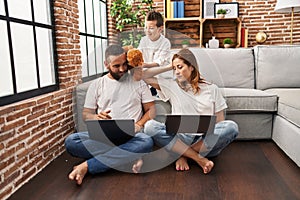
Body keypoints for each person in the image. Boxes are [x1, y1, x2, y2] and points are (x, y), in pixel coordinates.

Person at [65, 45, 155, 185]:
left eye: (124, 64)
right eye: (116, 66)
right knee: (71, 142)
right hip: (105, 136)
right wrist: (95, 117)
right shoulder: (97, 85)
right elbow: (86, 114)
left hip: (133, 135)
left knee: (146, 142)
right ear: (106, 65)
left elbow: (151, 110)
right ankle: (127, 156)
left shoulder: (138, 83)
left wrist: (139, 124)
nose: (122, 69)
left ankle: (88, 166)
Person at [143, 48, 239, 174]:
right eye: (174, 69)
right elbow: (142, 75)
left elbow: (220, 122)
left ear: (191, 67)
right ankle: (198, 158)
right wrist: (168, 66)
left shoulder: (212, 89)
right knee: (150, 126)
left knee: (231, 127)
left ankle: (183, 155)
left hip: (204, 143)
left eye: (180, 67)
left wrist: (184, 152)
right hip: (180, 138)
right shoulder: (172, 86)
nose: (176, 72)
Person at [138, 10, 172, 95]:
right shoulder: (144, 40)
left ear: (160, 29)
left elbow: (159, 62)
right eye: (146, 27)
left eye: (151, 28)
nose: (147, 31)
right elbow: (139, 53)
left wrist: (145, 65)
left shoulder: (165, 42)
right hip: (146, 76)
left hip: (160, 76)